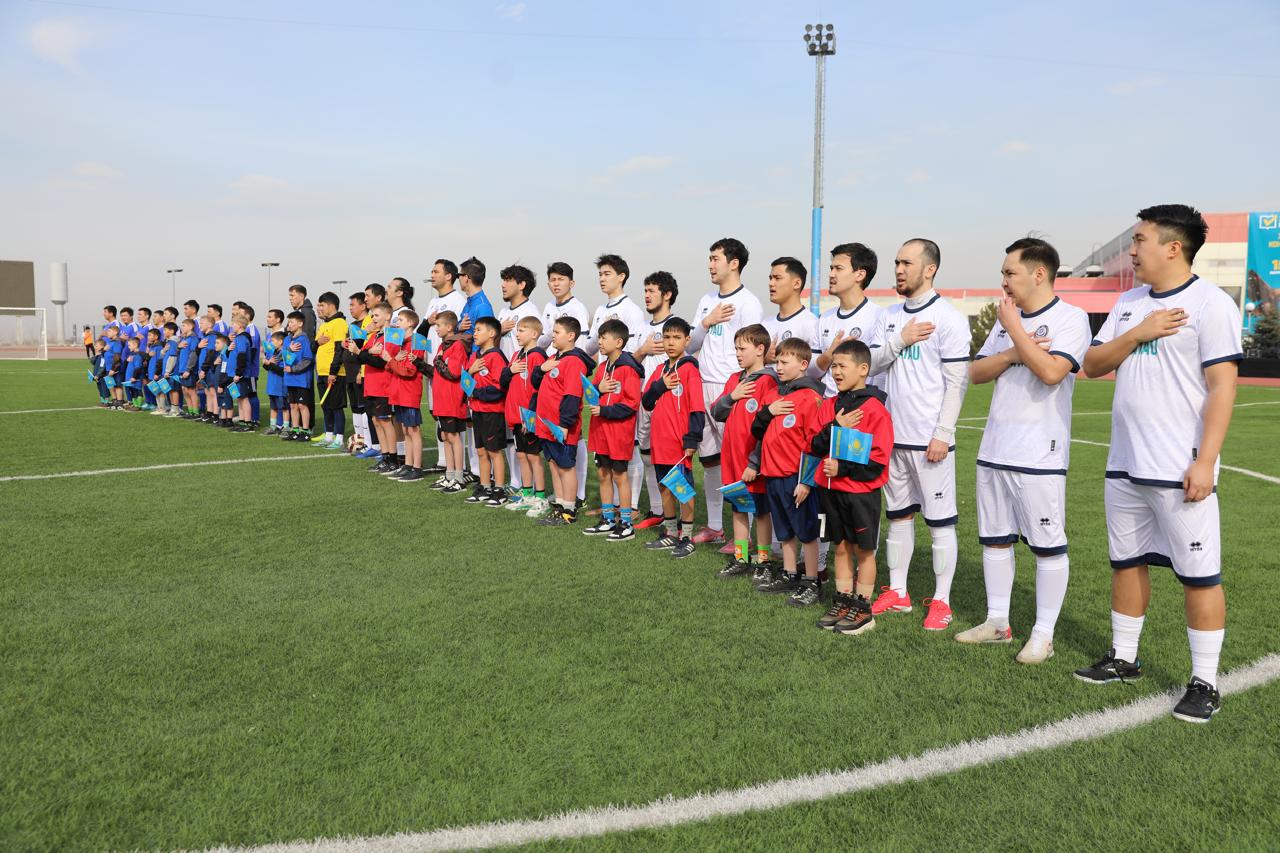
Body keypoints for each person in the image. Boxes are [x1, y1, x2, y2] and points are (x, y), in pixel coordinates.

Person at [1076, 204, 1242, 724]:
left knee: (1199, 575)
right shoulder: (1129, 302)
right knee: (1126, 562)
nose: (1132, 250)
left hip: (1179, 468)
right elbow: (1093, 364)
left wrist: (1205, 461)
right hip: (1125, 463)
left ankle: (1205, 682)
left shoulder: (1211, 304)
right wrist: (1139, 333)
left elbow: (1223, 387)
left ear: (1173, 247)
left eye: (1140, 240)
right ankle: (1124, 658)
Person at [956, 238, 1091, 664]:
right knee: (995, 541)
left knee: (1047, 545)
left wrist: (1014, 334)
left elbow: (1052, 371)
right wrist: (1015, 351)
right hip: (996, 446)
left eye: (1010, 273)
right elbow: (977, 371)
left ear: (1039, 274)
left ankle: (1044, 635)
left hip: (1039, 453)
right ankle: (997, 622)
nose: (1003, 281)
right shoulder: (1007, 320)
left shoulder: (1071, 317)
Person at [867, 238, 971, 631]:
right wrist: (900, 340)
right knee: (898, 517)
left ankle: (942, 601)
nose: (898, 269)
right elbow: (871, 363)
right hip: (892, 437)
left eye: (907, 263)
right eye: (896, 262)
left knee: (940, 522)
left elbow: (957, 382)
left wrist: (943, 433)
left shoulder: (949, 317)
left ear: (930, 269)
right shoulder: (888, 316)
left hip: (930, 441)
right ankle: (898, 592)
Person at [812, 339, 894, 635]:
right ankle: (843, 601)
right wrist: (836, 427)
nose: (835, 371)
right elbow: (814, 444)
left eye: (842, 366)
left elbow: (878, 462)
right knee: (841, 547)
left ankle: (863, 608)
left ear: (863, 369)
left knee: (863, 550)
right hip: (829, 492)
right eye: (833, 366)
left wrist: (843, 468)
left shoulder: (875, 410)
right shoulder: (830, 406)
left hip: (860, 495)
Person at [688, 238, 765, 548]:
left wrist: (744, 388)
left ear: (734, 263)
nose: (710, 264)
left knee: (737, 461)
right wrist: (706, 322)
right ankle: (715, 526)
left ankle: (744, 535)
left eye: (715, 258)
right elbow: (692, 344)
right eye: (710, 258)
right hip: (703, 384)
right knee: (710, 461)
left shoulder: (749, 302)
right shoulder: (706, 299)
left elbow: (756, 350)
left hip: (731, 389)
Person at [746, 337, 826, 605]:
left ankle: (812, 580)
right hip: (772, 474)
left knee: (806, 530)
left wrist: (806, 481)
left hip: (796, 477)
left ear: (803, 365)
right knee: (784, 529)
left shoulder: (811, 398)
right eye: (777, 361)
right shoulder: (773, 395)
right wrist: (768, 411)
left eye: (784, 362)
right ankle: (790, 574)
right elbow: (757, 431)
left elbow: (815, 444)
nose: (778, 367)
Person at [709, 323, 778, 578]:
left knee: (760, 511)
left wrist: (755, 462)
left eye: (742, 349)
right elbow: (716, 412)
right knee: (738, 507)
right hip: (732, 458)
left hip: (752, 461)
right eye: (736, 349)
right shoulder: (734, 380)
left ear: (760, 349)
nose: (737, 354)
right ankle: (741, 557)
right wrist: (732, 396)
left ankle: (764, 561)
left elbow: (768, 426)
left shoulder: (768, 381)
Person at [641, 316, 705, 558]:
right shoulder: (660, 371)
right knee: (664, 487)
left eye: (676, 338)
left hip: (679, 443)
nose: (670, 342)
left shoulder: (689, 369)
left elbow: (697, 407)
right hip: (660, 441)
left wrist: (692, 439)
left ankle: (687, 537)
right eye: (667, 337)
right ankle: (670, 533)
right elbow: (646, 401)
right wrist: (660, 385)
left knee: (682, 489)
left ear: (687, 340)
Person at [582, 319, 644, 540]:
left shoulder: (628, 369)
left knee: (619, 476)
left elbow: (631, 404)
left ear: (618, 342)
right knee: (602, 474)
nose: (599, 341)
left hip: (618, 433)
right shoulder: (602, 368)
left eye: (604, 337)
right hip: (600, 432)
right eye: (599, 337)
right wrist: (597, 388)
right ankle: (608, 520)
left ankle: (626, 524)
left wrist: (605, 410)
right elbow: (591, 393)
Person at [532, 315, 592, 525]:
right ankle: (559, 505)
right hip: (546, 424)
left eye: (557, 332)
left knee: (566, 467)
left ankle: (569, 509)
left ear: (571, 336)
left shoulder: (574, 361)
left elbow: (572, 396)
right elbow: (535, 383)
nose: (553, 335)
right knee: (554, 464)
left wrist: (565, 424)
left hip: (560, 426)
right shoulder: (554, 358)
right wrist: (541, 369)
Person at [633, 271, 681, 529]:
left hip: (668, 403)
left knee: (671, 460)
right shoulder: (642, 328)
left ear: (667, 295)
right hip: (644, 399)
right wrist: (643, 350)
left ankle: (683, 517)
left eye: (652, 291)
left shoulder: (676, 327)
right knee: (647, 455)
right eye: (645, 290)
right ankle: (658, 510)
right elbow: (631, 362)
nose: (647, 295)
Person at [816, 242, 884, 397]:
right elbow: (812, 370)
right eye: (831, 268)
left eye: (838, 268)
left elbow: (880, 373)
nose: (831, 274)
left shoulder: (879, 317)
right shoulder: (825, 318)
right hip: (827, 406)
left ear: (860, 275)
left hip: (860, 406)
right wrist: (830, 354)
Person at [497, 264, 541, 490]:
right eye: (503, 280)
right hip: (506, 378)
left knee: (526, 441)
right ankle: (517, 483)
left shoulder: (530, 311)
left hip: (523, 385)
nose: (503, 285)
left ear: (522, 285)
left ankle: (532, 488)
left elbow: (537, 348)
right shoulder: (503, 313)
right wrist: (499, 330)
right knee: (510, 435)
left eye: (508, 280)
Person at [502, 316, 549, 516]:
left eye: (522, 330)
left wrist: (530, 416)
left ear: (534, 334)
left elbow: (539, 389)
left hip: (527, 417)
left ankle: (540, 497)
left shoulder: (537, 356)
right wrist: (510, 370)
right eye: (517, 330)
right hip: (514, 415)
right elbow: (502, 380)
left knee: (533, 457)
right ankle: (527, 493)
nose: (517, 333)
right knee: (521, 455)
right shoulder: (516, 355)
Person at [422, 262, 465, 472]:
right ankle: (443, 462)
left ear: (449, 276)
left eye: (435, 271)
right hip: (434, 366)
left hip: (448, 369)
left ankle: (459, 468)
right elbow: (423, 332)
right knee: (436, 414)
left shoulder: (458, 300)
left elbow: (461, 331)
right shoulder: (432, 301)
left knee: (453, 423)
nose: (432, 275)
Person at [463, 316, 510, 504]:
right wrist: (470, 371)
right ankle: (485, 486)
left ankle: (499, 489)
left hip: (492, 411)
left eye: (478, 330)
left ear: (491, 333)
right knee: (481, 451)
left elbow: (499, 388)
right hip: (477, 410)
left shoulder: (496, 356)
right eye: (474, 330)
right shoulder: (475, 356)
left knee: (494, 451)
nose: (474, 334)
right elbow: (465, 384)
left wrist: (476, 392)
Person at [383, 308, 428, 482]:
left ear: (410, 323)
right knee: (405, 429)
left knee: (413, 430)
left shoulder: (416, 342)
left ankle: (417, 467)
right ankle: (408, 465)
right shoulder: (402, 343)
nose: (397, 323)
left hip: (409, 392)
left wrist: (390, 360)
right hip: (399, 392)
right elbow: (390, 368)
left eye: (400, 320)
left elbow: (408, 371)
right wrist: (393, 360)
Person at [351, 302, 396, 471]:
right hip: (370, 384)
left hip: (383, 385)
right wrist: (367, 352)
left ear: (387, 316)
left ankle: (393, 458)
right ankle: (384, 456)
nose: (373, 319)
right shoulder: (374, 336)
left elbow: (381, 362)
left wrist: (363, 353)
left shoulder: (391, 336)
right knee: (376, 421)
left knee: (385, 421)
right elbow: (361, 356)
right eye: (372, 316)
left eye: (376, 315)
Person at [430, 311, 470, 493]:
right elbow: (438, 371)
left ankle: (459, 478)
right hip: (442, 400)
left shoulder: (457, 346)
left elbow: (453, 373)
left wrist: (438, 360)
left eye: (439, 325)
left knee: (454, 438)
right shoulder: (443, 346)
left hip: (452, 400)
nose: (436, 329)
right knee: (445, 437)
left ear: (449, 327)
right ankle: (450, 475)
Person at [763, 256, 821, 373]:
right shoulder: (765, 324)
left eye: (777, 278)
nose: (771, 283)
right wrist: (764, 358)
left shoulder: (810, 323)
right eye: (770, 278)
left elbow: (815, 370)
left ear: (797, 283)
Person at [313, 291, 350, 449]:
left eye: (321, 305)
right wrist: (317, 342)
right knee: (326, 405)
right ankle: (328, 435)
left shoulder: (339, 323)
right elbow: (313, 347)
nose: (319, 308)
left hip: (334, 374)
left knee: (336, 406)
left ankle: (339, 438)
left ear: (331, 305)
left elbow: (339, 350)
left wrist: (333, 372)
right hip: (321, 372)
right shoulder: (323, 325)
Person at [341, 292, 374, 455]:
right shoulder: (353, 325)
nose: (350, 308)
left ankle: (368, 442)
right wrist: (344, 344)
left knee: (363, 408)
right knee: (355, 408)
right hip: (350, 372)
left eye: (352, 304)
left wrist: (361, 370)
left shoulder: (370, 322)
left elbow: (366, 348)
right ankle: (359, 441)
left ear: (363, 306)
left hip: (359, 372)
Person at [281, 310, 314, 440]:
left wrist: (293, 369)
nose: (289, 324)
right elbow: (283, 355)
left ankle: (305, 431)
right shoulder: (287, 339)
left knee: (302, 405)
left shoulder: (304, 339)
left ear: (300, 324)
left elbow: (308, 359)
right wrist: (289, 349)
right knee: (293, 405)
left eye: (291, 322)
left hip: (301, 378)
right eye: (288, 322)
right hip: (289, 379)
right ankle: (295, 430)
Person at [227, 317, 255, 431]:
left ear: (239, 325)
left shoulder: (242, 338)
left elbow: (242, 356)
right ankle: (242, 422)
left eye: (233, 324)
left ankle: (248, 423)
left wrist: (238, 373)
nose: (232, 326)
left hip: (240, 375)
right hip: (234, 374)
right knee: (239, 398)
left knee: (244, 398)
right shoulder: (238, 338)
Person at [262, 331, 289, 435]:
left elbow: (282, 371)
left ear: (280, 341)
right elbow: (268, 367)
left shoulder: (284, 354)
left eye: (273, 341)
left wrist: (270, 364)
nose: (271, 343)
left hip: (280, 386)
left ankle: (285, 427)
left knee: (284, 407)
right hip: (272, 386)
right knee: (273, 407)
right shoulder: (273, 352)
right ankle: (273, 427)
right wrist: (266, 363)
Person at [121, 336, 144, 410]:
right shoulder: (132, 355)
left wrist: (134, 377)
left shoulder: (137, 356)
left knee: (137, 390)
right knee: (132, 391)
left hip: (135, 379)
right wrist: (126, 361)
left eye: (129, 345)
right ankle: (134, 404)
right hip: (130, 378)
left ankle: (138, 405)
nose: (128, 347)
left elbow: (138, 367)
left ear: (135, 345)